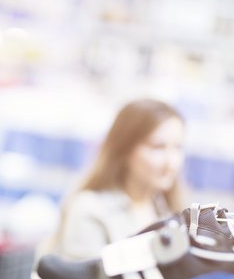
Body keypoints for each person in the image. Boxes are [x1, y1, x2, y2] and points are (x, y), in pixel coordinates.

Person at [47, 98, 185, 261]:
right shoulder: (89, 209)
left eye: (178, 147)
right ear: (125, 149)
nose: (172, 162)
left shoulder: (167, 210)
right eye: (158, 147)